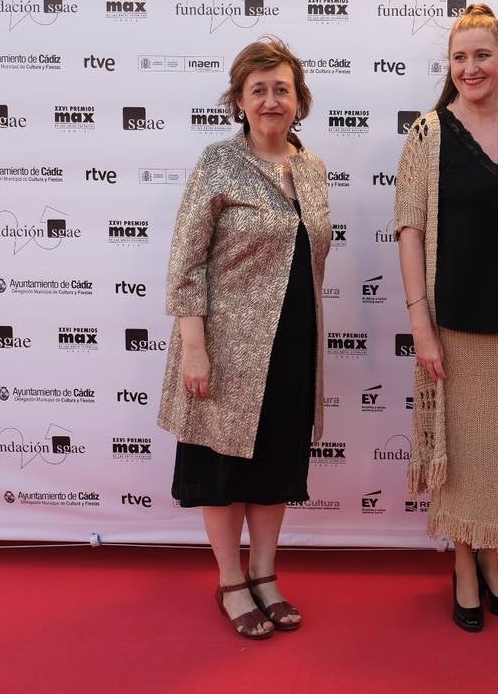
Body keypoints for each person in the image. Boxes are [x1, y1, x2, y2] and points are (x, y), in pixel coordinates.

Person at [155, 37, 331, 640]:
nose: (271, 99)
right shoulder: (218, 164)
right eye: (258, 89)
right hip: (227, 348)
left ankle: (265, 573)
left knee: (276, 462)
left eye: (282, 88)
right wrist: (194, 344)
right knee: (221, 468)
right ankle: (231, 580)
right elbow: (186, 261)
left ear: (299, 98)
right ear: (239, 100)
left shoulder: (311, 168)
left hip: (291, 343)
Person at [394, 4, 498, 632]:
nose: (470, 67)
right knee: (457, 454)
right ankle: (463, 564)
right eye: (460, 58)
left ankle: (493, 561)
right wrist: (421, 326)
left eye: (482, 55)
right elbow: (410, 231)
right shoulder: (429, 135)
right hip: (453, 324)